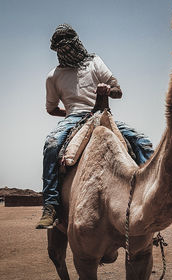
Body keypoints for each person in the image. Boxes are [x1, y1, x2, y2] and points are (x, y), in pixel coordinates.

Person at [36, 24, 153, 229]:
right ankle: (51, 205)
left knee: (143, 142)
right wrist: (71, 115)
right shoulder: (53, 76)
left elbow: (118, 90)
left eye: (68, 45)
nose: (66, 49)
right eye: (61, 46)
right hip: (74, 118)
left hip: (102, 113)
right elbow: (51, 108)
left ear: (76, 43)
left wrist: (108, 90)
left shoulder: (94, 62)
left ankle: (152, 197)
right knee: (52, 144)